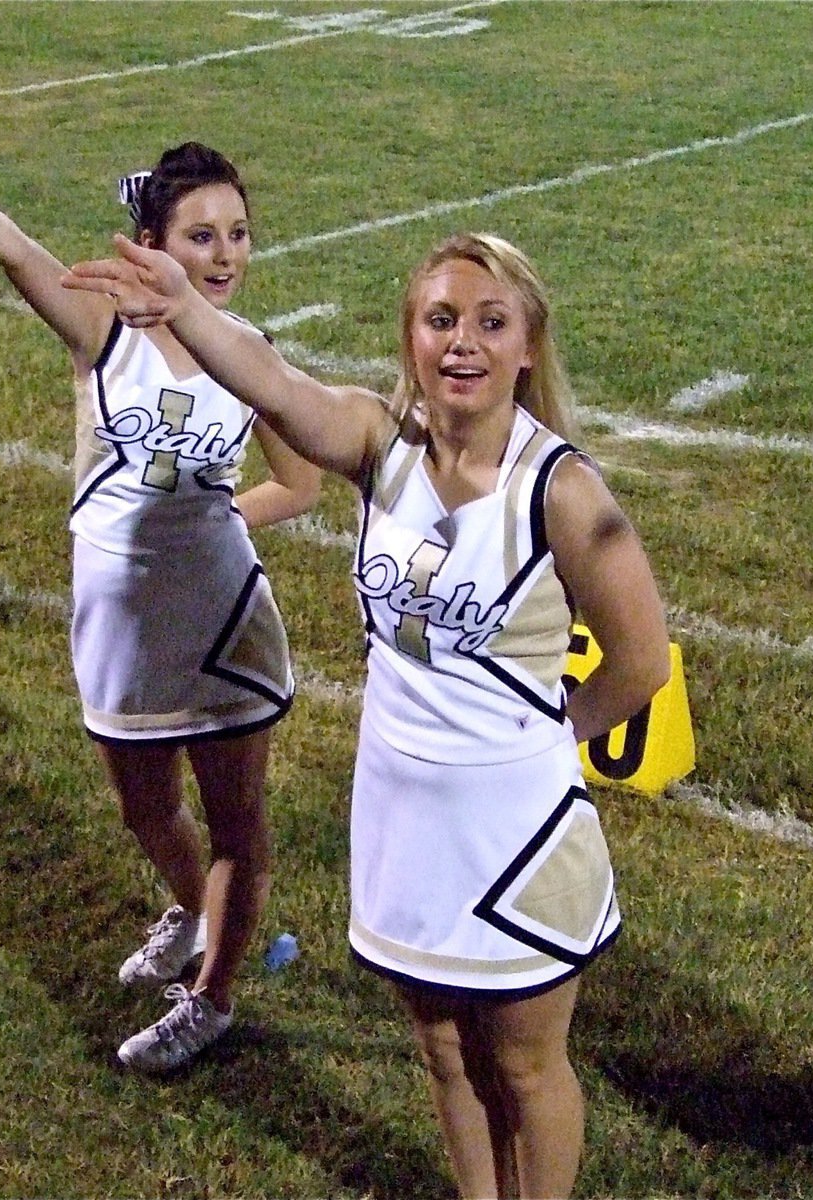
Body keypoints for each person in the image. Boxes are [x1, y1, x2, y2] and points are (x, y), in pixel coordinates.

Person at [63, 230, 671, 1197]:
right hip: (397, 811)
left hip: (510, 828)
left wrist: (535, 740)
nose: (460, 343)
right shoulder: (378, 445)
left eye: (488, 323)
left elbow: (638, 664)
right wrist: (185, 308)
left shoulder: (558, 490)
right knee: (437, 1046)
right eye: (439, 322)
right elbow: (273, 383)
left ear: (525, 345)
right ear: (410, 340)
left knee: (522, 1061)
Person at [0, 118, 320, 1073]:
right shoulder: (104, 329)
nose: (224, 256)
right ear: (152, 247)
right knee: (144, 809)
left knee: (237, 826)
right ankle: (189, 915)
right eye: (200, 235)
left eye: (238, 233)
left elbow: (299, 485)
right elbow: (13, 246)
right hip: (115, 618)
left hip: (220, 618)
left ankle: (211, 997)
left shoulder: (251, 354)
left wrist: (214, 527)